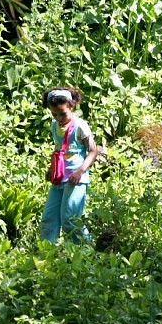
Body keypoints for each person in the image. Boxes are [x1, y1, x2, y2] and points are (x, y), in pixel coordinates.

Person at [40, 86, 99, 244]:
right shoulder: (55, 126)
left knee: (70, 219)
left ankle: (86, 250)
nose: (59, 118)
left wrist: (80, 171)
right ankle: (46, 253)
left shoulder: (80, 126)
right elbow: (59, 149)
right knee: (48, 218)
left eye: (62, 114)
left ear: (72, 106)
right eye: (54, 114)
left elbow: (93, 150)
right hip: (59, 178)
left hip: (75, 179)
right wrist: (50, 169)